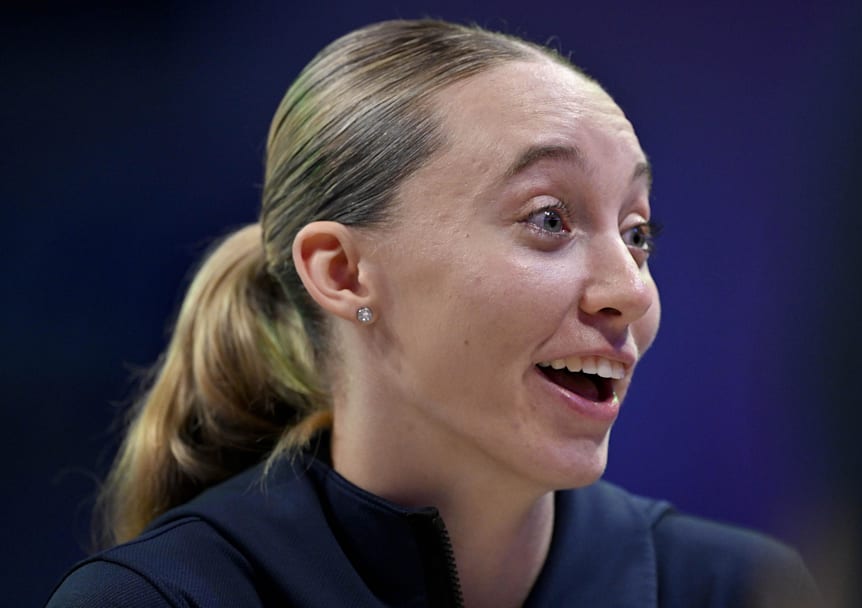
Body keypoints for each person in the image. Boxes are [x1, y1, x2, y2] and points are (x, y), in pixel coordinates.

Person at [46, 19, 818, 608]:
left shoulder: (734, 589)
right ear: (344, 272)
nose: (633, 292)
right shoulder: (161, 598)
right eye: (550, 218)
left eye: (638, 233)